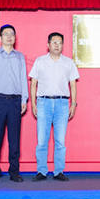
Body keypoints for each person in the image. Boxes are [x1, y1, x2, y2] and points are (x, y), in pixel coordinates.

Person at [29, 32, 79, 181]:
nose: (57, 45)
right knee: (42, 140)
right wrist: (33, 103)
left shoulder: (68, 63)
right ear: (48, 45)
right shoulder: (40, 61)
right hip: (43, 103)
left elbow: (73, 84)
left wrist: (73, 104)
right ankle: (41, 171)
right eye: (54, 42)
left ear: (63, 45)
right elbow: (33, 83)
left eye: (60, 42)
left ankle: (58, 171)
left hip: (62, 104)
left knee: (60, 141)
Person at [0, 24, 28, 183]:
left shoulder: (20, 57)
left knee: (14, 140)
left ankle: (14, 171)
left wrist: (24, 99)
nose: (9, 36)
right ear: (1, 37)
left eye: (12, 34)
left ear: (15, 38)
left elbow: (23, 79)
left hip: (15, 101)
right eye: (6, 34)